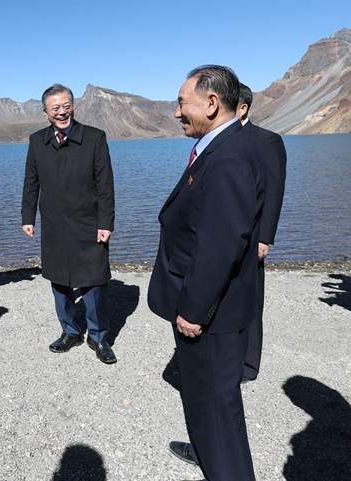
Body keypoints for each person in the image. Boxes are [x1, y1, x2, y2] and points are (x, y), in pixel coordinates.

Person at [147, 66, 265, 480]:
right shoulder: (225, 145)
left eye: (182, 102)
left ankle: (225, 468)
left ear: (211, 103)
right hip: (210, 306)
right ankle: (206, 452)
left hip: (209, 314)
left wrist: (194, 310)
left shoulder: (230, 156)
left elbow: (222, 244)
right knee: (204, 401)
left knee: (216, 407)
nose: (177, 112)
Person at [21, 83, 116, 364]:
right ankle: (70, 331)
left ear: (73, 107)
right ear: (45, 112)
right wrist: (28, 217)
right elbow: (31, 182)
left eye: (66, 106)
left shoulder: (95, 138)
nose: (62, 112)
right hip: (54, 224)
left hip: (89, 223)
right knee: (59, 281)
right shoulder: (37, 141)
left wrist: (106, 222)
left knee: (94, 283)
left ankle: (99, 337)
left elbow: (106, 185)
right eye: (55, 108)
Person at [236, 83, 287, 383]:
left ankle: (248, 364)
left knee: (251, 298)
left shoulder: (267, 141)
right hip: (222, 235)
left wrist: (265, 237)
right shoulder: (215, 139)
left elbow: (274, 191)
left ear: (242, 108)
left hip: (252, 235)